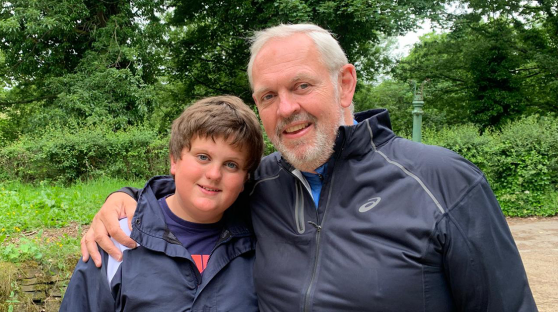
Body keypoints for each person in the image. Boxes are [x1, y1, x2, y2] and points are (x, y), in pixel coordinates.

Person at [81, 24, 537, 311]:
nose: (287, 109)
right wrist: (130, 199)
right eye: (268, 96)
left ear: (345, 84)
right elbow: (198, 189)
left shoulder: (443, 179)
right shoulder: (263, 183)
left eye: (302, 85)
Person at [60, 95, 263, 311]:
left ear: (245, 179)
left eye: (231, 164)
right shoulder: (119, 238)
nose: (214, 174)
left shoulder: (262, 240)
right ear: (174, 160)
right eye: (203, 157)